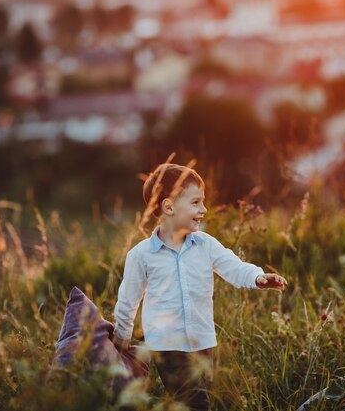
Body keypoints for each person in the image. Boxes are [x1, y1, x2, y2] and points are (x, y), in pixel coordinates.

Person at [112, 163, 287, 410]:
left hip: (203, 342)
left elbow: (234, 267)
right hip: (167, 346)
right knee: (196, 403)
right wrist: (122, 336)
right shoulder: (141, 255)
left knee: (198, 399)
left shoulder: (206, 245)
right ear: (169, 207)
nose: (204, 209)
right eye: (196, 203)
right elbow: (128, 300)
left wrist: (257, 277)